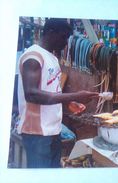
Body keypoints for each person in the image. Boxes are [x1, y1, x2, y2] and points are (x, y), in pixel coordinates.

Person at [17, 18, 98, 168]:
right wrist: (76, 95)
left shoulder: (52, 58)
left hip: (53, 130)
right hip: (37, 133)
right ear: (50, 32)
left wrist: (69, 103)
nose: (66, 43)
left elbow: (52, 90)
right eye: (63, 37)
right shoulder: (33, 57)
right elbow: (32, 94)